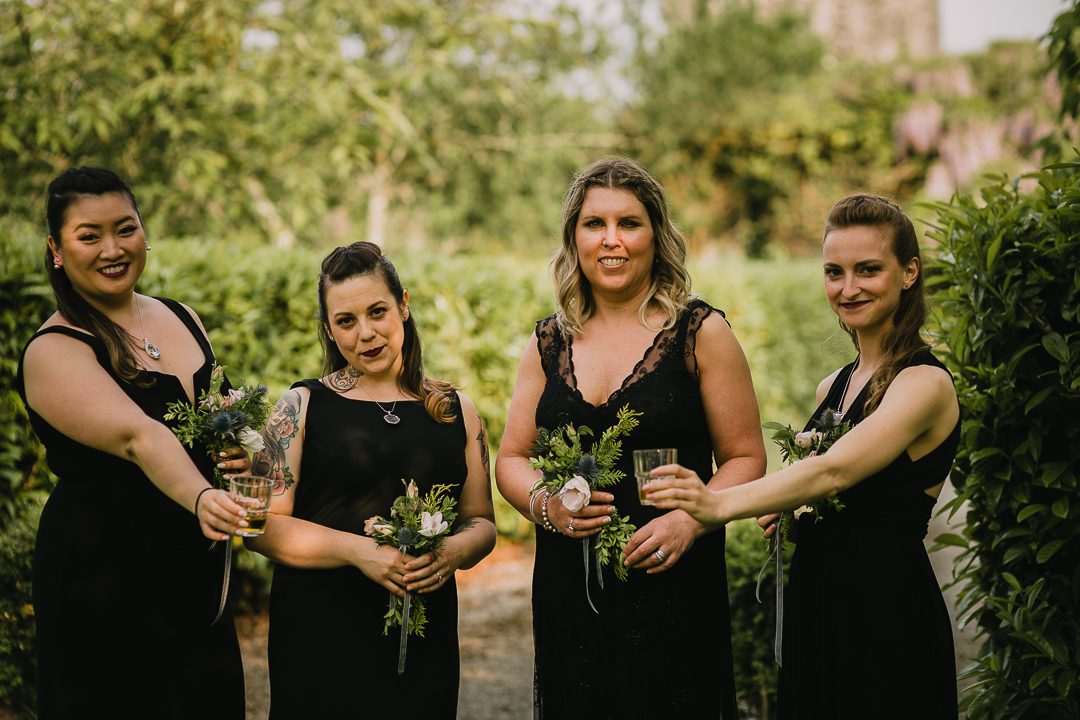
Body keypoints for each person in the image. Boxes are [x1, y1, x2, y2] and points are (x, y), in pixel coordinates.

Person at [645, 193, 960, 719]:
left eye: (868, 270)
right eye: (834, 272)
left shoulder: (923, 383)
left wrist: (717, 504)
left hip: (886, 613)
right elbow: (830, 485)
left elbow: (835, 470)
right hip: (817, 603)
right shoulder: (831, 387)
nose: (848, 288)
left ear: (909, 273)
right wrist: (795, 507)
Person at [494, 156, 766, 718]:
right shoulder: (548, 343)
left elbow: (745, 456)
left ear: (656, 236)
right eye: (595, 223)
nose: (611, 240)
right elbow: (513, 459)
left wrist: (693, 518)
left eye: (629, 223)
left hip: (673, 580)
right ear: (574, 237)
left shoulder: (700, 333)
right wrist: (547, 506)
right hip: (571, 586)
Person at [17, 166, 251, 719]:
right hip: (102, 576)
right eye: (89, 235)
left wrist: (242, 452)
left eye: (125, 228)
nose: (112, 249)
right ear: (56, 250)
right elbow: (138, 436)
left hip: (192, 569)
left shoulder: (182, 317)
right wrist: (202, 496)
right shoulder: (55, 349)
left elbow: (222, 416)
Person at [245, 241, 497, 719]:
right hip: (319, 637)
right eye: (346, 321)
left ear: (404, 305)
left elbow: (481, 521)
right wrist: (361, 552)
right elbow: (258, 526)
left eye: (377, 312)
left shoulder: (455, 410)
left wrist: (450, 553)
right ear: (329, 329)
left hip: (422, 633)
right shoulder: (299, 406)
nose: (366, 333)